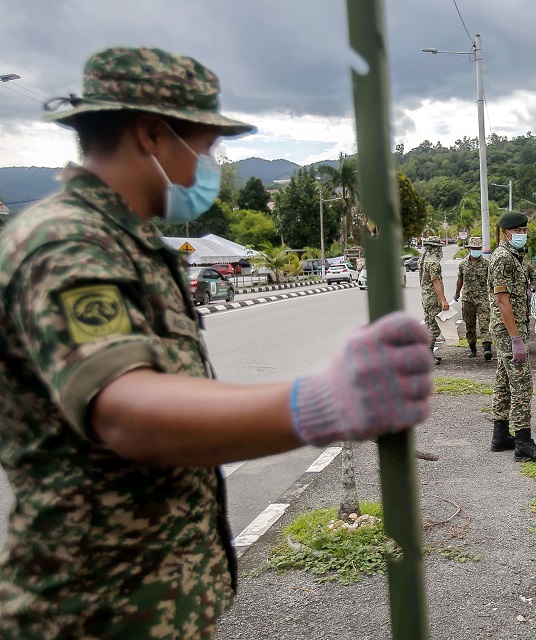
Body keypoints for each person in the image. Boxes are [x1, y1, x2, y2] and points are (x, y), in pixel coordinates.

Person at [0, 46, 434, 638]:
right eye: (205, 145)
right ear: (153, 133)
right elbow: (128, 414)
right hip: (90, 613)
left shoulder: (126, 243)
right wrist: (322, 403)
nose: (209, 163)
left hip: (144, 603)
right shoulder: (66, 244)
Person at [487, 211, 536, 461]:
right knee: (522, 385)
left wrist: (528, 289)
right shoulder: (503, 258)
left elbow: (530, 279)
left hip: (513, 328)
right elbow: (502, 302)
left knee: (504, 382)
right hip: (508, 331)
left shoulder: (516, 257)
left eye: (525, 231)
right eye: (518, 231)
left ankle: (501, 435)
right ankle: (523, 442)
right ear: (505, 232)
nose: (522, 235)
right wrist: (515, 339)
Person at [454, 236, 492, 361]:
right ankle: (473, 349)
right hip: (468, 299)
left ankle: (487, 348)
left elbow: (491, 280)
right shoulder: (463, 264)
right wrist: (457, 293)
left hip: (482, 298)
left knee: (485, 323)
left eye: (478, 248)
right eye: (474, 248)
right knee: (470, 325)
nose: (476, 250)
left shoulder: (487, 264)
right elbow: (460, 279)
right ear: (469, 249)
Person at [418, 235, 449, 364]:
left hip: (425, 297)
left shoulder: (422, 259)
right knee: (434, 327)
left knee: (428, 325)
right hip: (433, 299)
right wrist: (443, 300)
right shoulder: (433, 263)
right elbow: (436, 282)